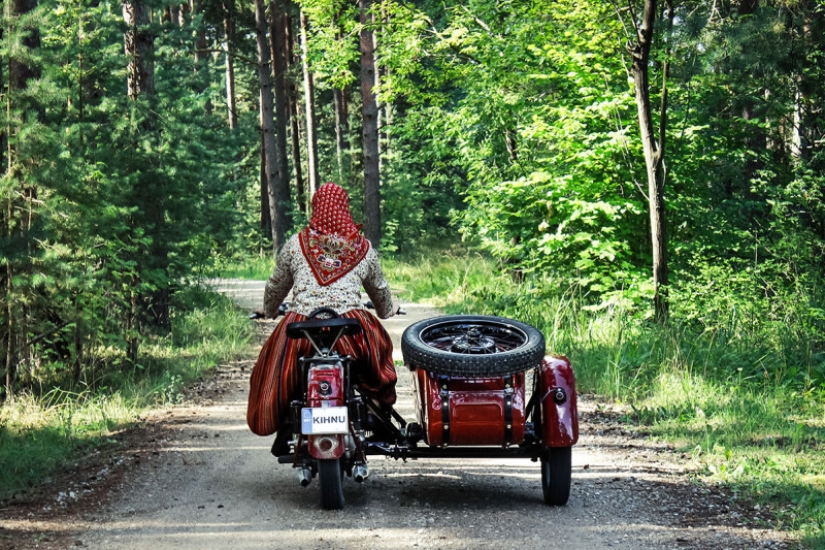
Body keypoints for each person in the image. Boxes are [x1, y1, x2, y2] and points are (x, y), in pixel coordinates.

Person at [246, 183, 397, 454]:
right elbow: (381, 291)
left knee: (275, 370)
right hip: (350, 331)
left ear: (316, 208)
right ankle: (374, 410)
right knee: (378, 356)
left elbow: (275, 285)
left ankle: (283, 420)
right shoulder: (362, 248)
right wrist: (388, 310)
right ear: (345, 209)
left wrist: (269, 310)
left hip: (301, 329)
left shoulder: (297, 244)